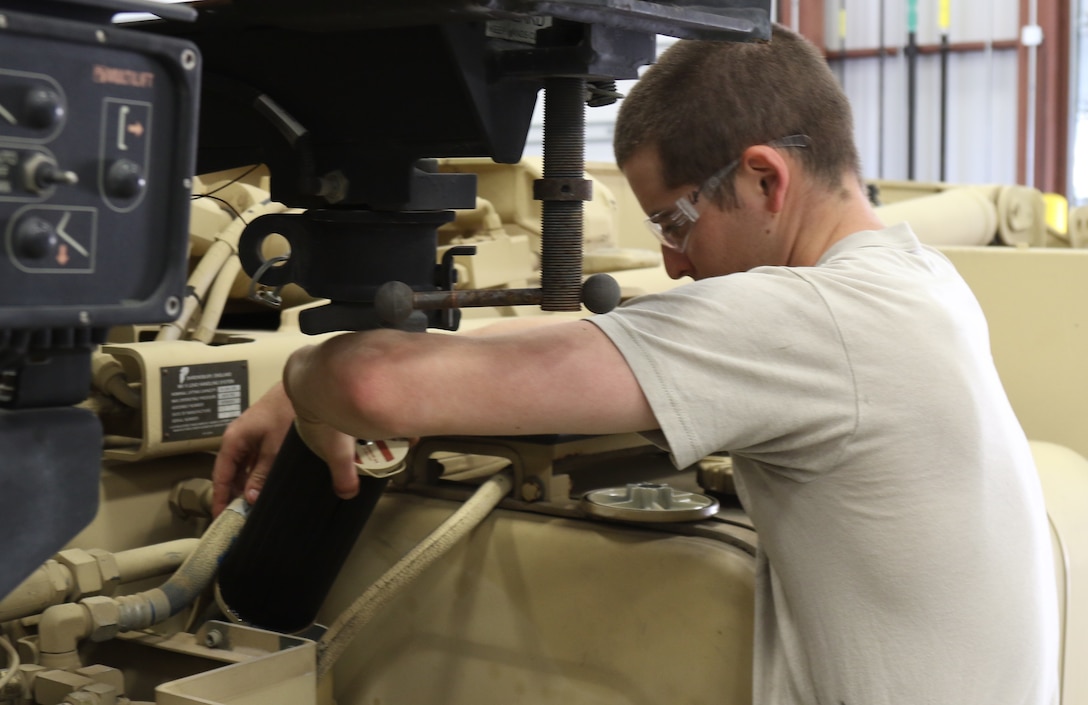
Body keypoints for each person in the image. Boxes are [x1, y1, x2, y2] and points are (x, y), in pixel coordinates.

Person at [212, 24, 1059, 705]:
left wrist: (306, 381)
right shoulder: (918, 282)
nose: (675, 262)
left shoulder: (816, 322)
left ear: (766, 178)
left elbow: (371, 386)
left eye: (676, 223)